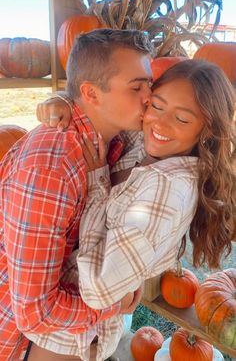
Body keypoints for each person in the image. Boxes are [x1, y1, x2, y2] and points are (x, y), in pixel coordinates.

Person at [30, 59, 236, 361]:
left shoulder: (166, 193)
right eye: (156, 105)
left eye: (182, 119)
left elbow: (99, 291)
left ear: (206, 130)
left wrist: (99, 180)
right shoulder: (148, 144)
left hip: (73, 334)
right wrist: (61, 101)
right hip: (62, 303)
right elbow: (101, 105)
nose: (160, 124)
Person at [0, 28, 155, 360]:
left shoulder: (115, 136)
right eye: (136, 86)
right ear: (92, 94)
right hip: (23, 341)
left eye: (150, 85)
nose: (149, 97)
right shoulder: (52, 169)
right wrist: (112, 306)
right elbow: (35, 313)